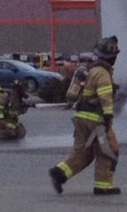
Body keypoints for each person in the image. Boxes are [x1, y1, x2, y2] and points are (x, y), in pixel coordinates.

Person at [49, 36, 121, 196]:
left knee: (84, 152)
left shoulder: (89, 69)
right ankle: (103, 186)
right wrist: (108, 116)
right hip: (97, 122)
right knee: (108, 150)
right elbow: (105, 96)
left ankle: (60, 173)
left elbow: (73, 96)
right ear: (112, 57)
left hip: (81, 118)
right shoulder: (102, 73)